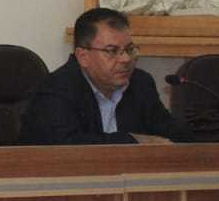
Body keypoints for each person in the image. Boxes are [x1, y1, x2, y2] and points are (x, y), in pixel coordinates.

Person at [19, 7, 191, 145]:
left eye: (130, 49)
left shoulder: (140, 83)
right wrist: (134, 140)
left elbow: (171, 132)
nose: (126, 59)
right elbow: (69, 146)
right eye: (112, 51)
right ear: (83, 56)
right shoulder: (55, 90)